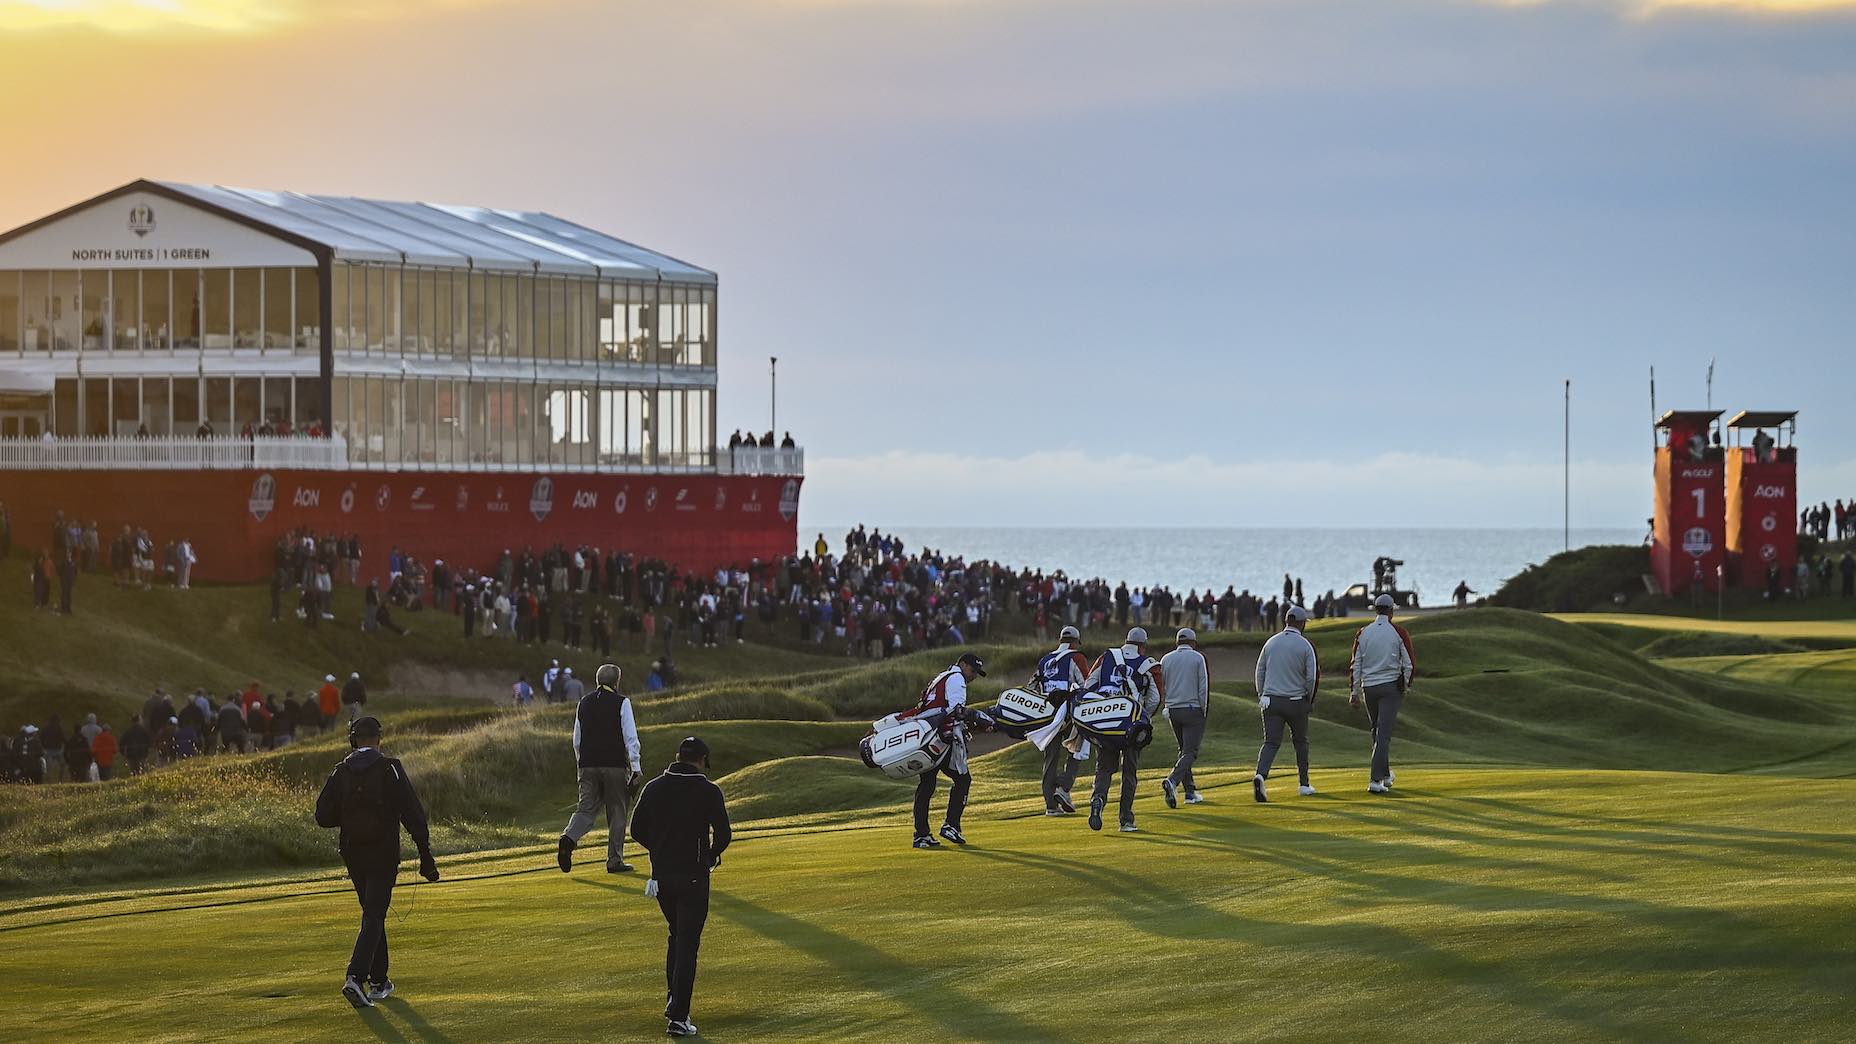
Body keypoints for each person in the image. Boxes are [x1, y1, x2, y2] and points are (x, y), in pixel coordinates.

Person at [314, 716, 439, 1009]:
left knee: (373, 912)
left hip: (353, 853)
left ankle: (380, 980)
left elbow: (322, 817)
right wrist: (425, 855)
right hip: (383, 853)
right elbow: (412, 813)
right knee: (374, 915)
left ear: (353, 740)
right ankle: (355, 977)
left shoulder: (340, 771)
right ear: (379, 739)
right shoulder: (389, 768)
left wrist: (348, 816)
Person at [629, 735, 732, 1038]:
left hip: (661, 878)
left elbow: (636, 830)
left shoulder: (653, 788)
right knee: (687, 944)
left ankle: (674, 1000)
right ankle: (678, 1015)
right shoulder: (708, 789)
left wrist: (660, 849)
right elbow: (724, 835)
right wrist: (709, 856)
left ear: (678, 756)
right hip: (694, 878)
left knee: (677, 937)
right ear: (701, 760)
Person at [558, 663, 644, 874]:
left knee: (585, 808)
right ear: (617, 682)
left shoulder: (583, 703)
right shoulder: (622, 702)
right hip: (614, 765)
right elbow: (630, 738)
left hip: (587, 765)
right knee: (617, 812)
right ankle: (614, 861)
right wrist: (636, 768)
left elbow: (577, 739)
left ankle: (569, 838)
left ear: (598, 681)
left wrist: (582, 761)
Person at [1084, 627, 1165, 833]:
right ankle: (1126, 820)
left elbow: (1089, 685)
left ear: (1126, 640)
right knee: (1129, 772)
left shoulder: (1107, 657)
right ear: (1143, 645)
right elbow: (1155, 698)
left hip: (1105, 723)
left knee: (1104, 768)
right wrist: (1143, 717)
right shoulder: (1148, 664)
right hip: (1131, 724)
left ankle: (1098, 798)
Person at [907, 652, 988, 848]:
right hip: (943, 738)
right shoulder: (956, 678)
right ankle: (951, 826)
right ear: (962, 664)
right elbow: (957, 710)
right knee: (962, 779)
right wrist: (978, 718)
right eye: (972, 670)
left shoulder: (940, 678)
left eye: (976, 673)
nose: (973, 676)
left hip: (927, 737)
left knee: (926, 786)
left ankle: (922, 835)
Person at [1252, 604, 1319, 802]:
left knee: (1271, 742)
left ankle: (1260, 775)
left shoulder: (1271, 642)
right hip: (1296, 701)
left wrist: (1261, 694)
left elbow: (1259, 671)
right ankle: (1304, 784)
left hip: (1271, 701)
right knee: (1300, 742)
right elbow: (1312, 678)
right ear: (1300, 623)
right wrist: (1309, 699)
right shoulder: (1305, 645)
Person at [1351, 594, 1415, 794]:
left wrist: (1354, 692)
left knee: (1376, 731)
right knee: (1383, 734)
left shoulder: (1363, 633)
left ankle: (1385, 775)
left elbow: (1356, 664)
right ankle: (1375, 780)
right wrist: (1405, 684)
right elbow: (1409, 664)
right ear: (1392, 611)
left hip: (1368, 687)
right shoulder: (1399, 632)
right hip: (1390, 688)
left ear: (1376, 609)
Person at [1029, 626, 1089, 815]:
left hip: (1047, 714)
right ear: (1075, 642)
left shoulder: (1045, 659)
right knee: (1079, 747)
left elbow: (1032, 686)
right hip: (1068, 714)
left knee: (1051, 758)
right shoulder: (1076, 657)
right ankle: (1064, 786)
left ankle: (1050, 806)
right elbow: (1086, 685)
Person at [1159, 627, 1210, 808]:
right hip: (1192, 708)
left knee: (1183, 750)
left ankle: (1190, 792)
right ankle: (1172, 781)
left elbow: (1162, 685)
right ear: (1194, 642)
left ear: (1177, 642)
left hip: (1173, 711)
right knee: (1190, 752)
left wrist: (1166, 706)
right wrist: (1203, 710)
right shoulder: (1198, 658)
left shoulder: (1166, 659)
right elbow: (1203, 686)